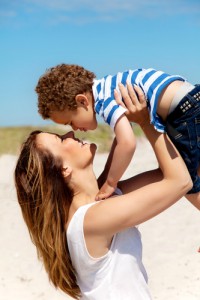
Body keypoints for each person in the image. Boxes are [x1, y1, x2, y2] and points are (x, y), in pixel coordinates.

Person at [15, 85, 192, 299]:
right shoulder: (91, 220)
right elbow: (179, 181)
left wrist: (127, 120)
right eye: (61, 140)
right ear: (63, 170)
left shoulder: (97, 205)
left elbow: (173, 172)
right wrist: (146, 121)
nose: (70, 133)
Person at [35, 64, 200, 208]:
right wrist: (105, 176)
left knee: (188, 180)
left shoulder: (104, 101)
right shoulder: (107, 87)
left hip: (185, 112)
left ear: (82, 101)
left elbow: (127, 143)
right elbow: (120, 139)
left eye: (71, 122)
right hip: (191, 101)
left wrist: (110, 183)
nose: (75, 129)